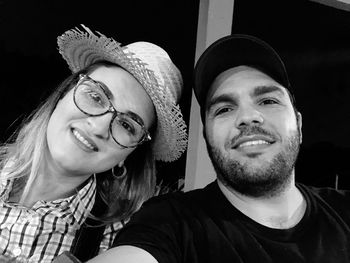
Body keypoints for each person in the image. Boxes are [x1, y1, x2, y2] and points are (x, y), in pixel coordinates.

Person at [88, 34, 350, 263]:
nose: (248, 117)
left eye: (268, 100)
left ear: (299, 125)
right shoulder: (170, 224)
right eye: (224, 108)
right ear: (207, 136)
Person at [0, 25, 187, 263]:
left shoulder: (122, 244)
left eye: (127, 125)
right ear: (66, 92)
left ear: (129, 154)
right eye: (96, 96)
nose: (99, 128)